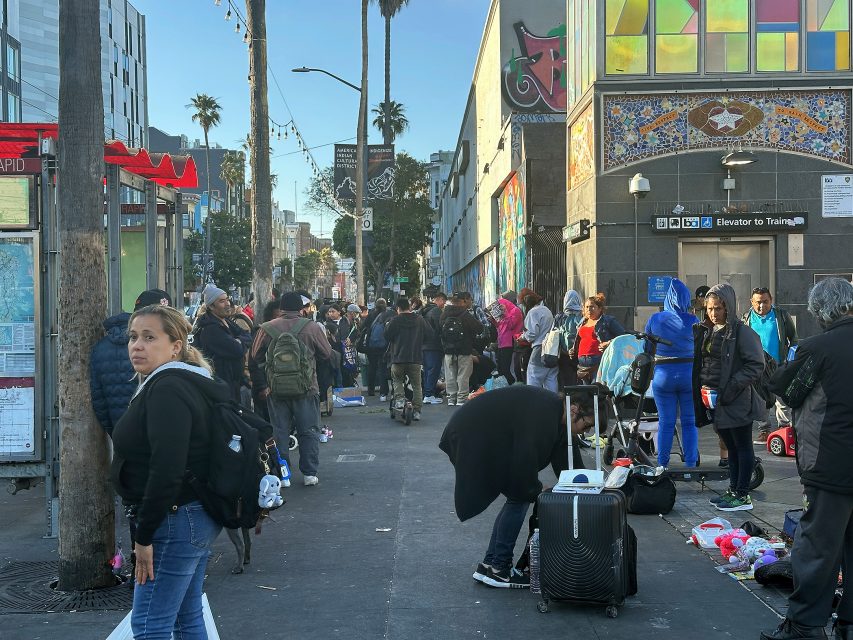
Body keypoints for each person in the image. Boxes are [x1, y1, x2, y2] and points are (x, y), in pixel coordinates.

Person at [111, 304, 224, 637]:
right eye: (133, 337)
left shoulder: (167, 389)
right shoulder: (179, 382)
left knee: (149, 624)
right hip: (189, 516)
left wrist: (144, 536)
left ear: (176, 346)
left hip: (174, 519)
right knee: (185, 616)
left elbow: (167, 468)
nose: (137, 345)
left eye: (149, 337)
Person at [760, 278, 853, 640]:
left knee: (819, 547)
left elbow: (786, 389)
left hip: (832, 463)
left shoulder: (816, 348)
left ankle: (805, 625)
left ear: (820, 312)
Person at [438, 385, 594, 588]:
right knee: (521, 494)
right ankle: (500, 568)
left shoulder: (555, 412)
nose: (588, 431)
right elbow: (525, 458)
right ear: (574, 409)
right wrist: (536, 489)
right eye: (587, 425)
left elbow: (566, 459)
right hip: (472, 435)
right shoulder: (544, 415)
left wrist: (586, 485)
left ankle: (490, 564)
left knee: (518, 493)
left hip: (473, 430)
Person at [691, 283, 764, 512]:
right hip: (715, 399)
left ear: (728, 307)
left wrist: (732, 387)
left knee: (742, 447)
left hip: (736, 399)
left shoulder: (742, 332)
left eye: (719, 309)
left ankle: (742, 494)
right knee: (731, 447)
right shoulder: (707, 329)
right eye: (710, 309)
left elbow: (756, 365)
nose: (713, 313)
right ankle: (734, 490)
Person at [249, 291, 332, 487]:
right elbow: (327, 354)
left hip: (276, 389)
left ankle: (282, 474)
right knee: (308, 430)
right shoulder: (311, 327)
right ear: (300, 308)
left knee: (280, 431)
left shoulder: (267, 328)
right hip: (307, 388)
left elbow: (255, 355)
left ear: (282, 308)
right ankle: (309, 473)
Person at [90, 288, 172, 436]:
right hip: (158, 435)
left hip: (122, 434)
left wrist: (115, 432)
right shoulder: (163, 347)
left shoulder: (101, 347)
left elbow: (99, 401)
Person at [643, 278, 698, 468]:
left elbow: (647, 347)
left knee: (666, 422)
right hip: (689, 375)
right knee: (690, 422)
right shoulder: (693, 320)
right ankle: (691, 463)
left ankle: (662, 464)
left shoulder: (655, 319)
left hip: (663, 375)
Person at [741, 287, 798, 444]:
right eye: (758, 302)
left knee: (782, 401)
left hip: (780, 365)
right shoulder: (746, 319)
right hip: (757, 367)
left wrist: (790, 361)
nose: (761, 306)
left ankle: (784, 430)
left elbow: (793, 339)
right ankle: (764, 431)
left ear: (771, 300)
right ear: (751, 302)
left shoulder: (781, 316)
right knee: (761, 400)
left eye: (765, 302)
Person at [193, 284, 252, 401]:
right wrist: (239, 342)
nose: (227, 304)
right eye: (221, 301)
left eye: (227, 300)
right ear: (211, 306)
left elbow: (248, 336)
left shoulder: (227, 322)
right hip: (222, 387)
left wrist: (239, 340)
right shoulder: (210, 329)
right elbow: (237, 350)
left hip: (234, 384)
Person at [384, 297, 434, 421]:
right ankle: (417, 411)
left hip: (398, 358)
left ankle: (400, 400)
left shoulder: (395, 320)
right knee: (417, 385)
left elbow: (387, 335)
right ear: (409, 307)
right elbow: (430, 335)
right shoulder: (420, 320)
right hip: (415, 358)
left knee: (397, 380)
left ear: (398, 308)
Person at [440, 294, 484, 406]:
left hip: (448, 351)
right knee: (463, 375)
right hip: (464, 350)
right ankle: (461, 399)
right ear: (461, 303)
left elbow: (439, 328)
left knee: (450, 376)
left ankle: (451, 398)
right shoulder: (465, 314)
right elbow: (479, 328)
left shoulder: (444, 314)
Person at [570, 293, 625, 383]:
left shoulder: (607, 321)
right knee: (585, 392)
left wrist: (608, 343)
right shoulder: (582, 321)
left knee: (597, 390)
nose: (589, 310)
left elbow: (623, 336)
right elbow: (579, 339)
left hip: (599, 361)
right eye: (586, 307)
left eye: (592, 307)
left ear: (600, 309)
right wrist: (573, 349)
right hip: (582, 364)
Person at [521, 290, 557, 392]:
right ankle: (552, 404)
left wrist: (523, 337)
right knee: (551, 379)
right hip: (552, 349)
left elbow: (532, 334)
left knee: (533, 379)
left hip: (538, 349)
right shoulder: (547, 310)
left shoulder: (532, 312)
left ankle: (534, 405)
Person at [363, 298, 394, 400]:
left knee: (372, 367)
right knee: (385, 368)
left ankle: (371, 389)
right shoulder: (388, 314)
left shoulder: (371, 315)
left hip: (372, 345)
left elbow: (364, 327)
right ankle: (386, 391)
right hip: (385, 346)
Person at [420, 292, 446, 404]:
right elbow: (440, 328)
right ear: (439, 299)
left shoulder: (425, 311)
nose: (444, 304)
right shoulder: (436, 311)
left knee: (427, 370)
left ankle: (427, 393)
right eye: (443, 301)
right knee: (433, 369)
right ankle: (429, 394)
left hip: (424, 345)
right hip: (434, 345)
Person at [554, 290, 584, 388]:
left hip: (563, 354)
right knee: (579, 380)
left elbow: (553, 333)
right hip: (579, 354)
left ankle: (567, 400)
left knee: (566, 381)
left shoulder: (560, 317)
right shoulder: (583, 316)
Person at [493, 291, 523, 385]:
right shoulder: (507, 313)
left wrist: (505, 313)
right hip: (502, 342)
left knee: (506, 368)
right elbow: (500, 327)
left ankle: (512, 384)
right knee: (501, 368)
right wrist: (493, 321)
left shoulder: (515, 310)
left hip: (509, 342)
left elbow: (511, 326)